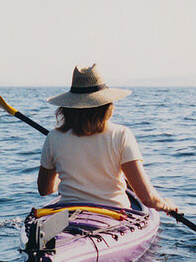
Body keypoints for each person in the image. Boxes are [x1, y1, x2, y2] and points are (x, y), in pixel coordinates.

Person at [37, 64, 177, 214]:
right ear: (106, 105)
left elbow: (45, 189)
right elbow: (147, 198)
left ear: (69, 107)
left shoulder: (54, 137)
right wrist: (165, 205)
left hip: (67, 213)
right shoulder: (121, 134)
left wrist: (67, 172)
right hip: (114, 215)